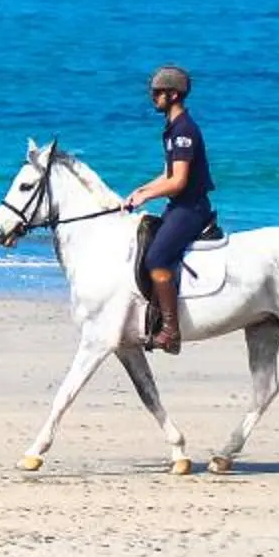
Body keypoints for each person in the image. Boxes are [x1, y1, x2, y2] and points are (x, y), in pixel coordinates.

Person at [120, 64, 214, 353]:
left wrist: (148, 198)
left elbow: (179, 181)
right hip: (179, 205)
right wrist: (142, 190)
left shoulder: (184, 130)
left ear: (173, 95)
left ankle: (171, 332)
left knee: (157, 258)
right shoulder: (173, 129)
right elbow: (167, 175)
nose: (153, 97)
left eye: (158, 93)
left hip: (191, 207)